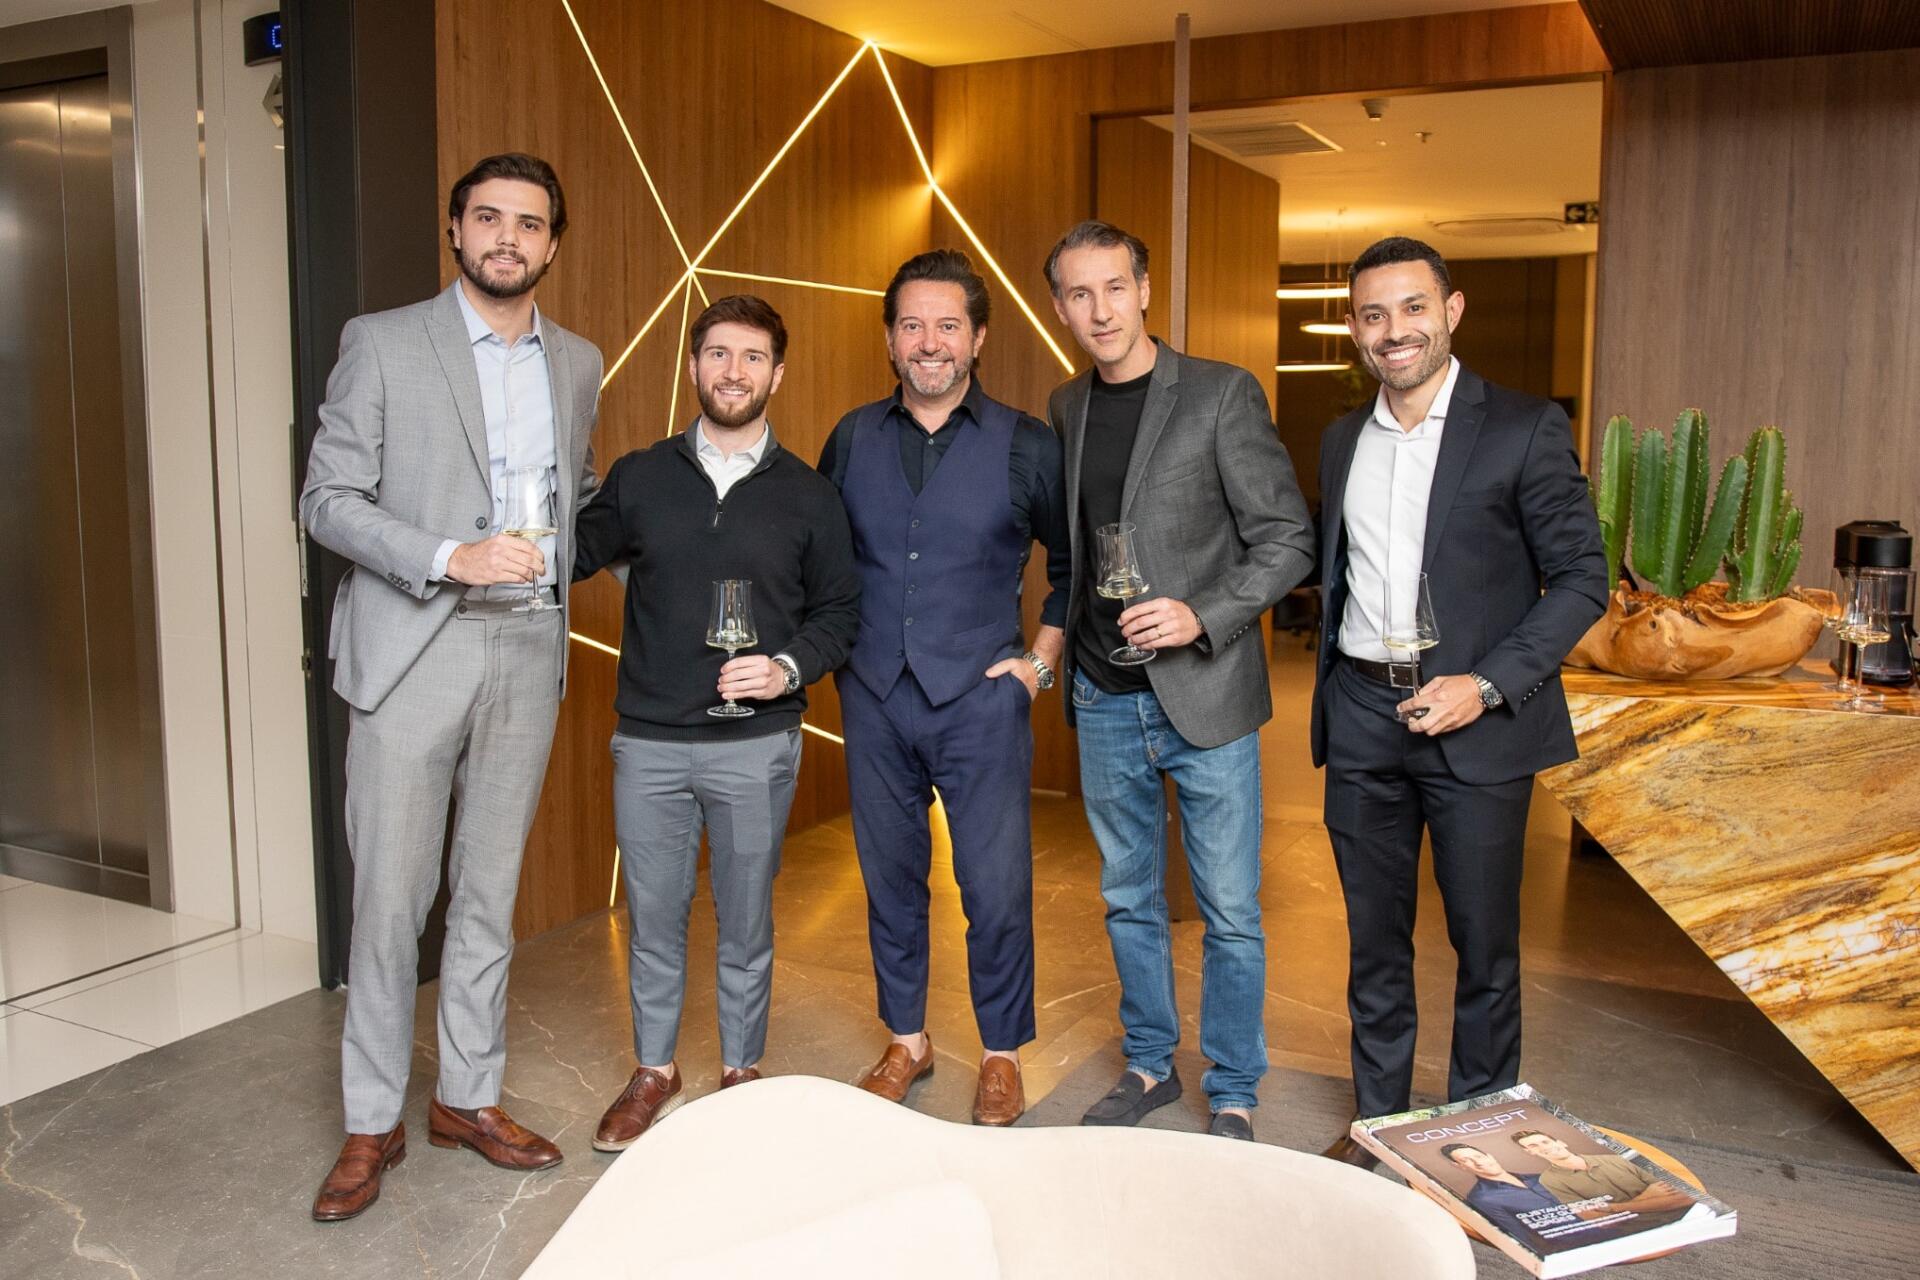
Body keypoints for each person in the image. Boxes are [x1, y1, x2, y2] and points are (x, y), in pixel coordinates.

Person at [301, 153, 603, 1221]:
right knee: (391, 900)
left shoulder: (578, 361)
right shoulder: (383, 342)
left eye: (529, 222)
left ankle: (466, 1098)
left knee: (487, 892)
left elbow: (580, 490)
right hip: (412, 649)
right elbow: (328, 499)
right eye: (488, 218)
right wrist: (446, 554)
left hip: (527, 648)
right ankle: (371, 1118)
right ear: (456, 229)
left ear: (552, 243)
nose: (507, 237)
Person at [1314, 237, 1608, 1167]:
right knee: (1374, 944)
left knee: (1484, 949)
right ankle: (1379, 1129)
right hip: (1363, 714)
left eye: (1412, 308)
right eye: (1373, 314)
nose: (1393, 330)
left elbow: (1582, 579)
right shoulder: (1341, 440)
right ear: (1354, 328)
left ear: (1451, 311)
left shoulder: (1521, 427)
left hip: (1475, 724)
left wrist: (1485, 685)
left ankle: (1480, 1143)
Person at [1042, 221, 1313, 1141]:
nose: (1100, 310)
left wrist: (1203, 613)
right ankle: (1151, 1063)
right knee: (1128, 900)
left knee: (1230, 910)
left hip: (1207, 692)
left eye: (1114, 287)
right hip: (1103, 695)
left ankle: (1233, 1088)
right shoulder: (1066, 406)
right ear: (1060, 307)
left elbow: (1288, 539)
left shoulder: (1219, 393)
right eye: (1080, 294)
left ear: (1145, 289)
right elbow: (1076, 553)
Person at [573, 295, 860, 1150]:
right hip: (650, 742)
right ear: (694, 365)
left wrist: (784, 669)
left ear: (778, 373)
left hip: (755, 744)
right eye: (718, 354)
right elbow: (571, 551)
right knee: (653, 920)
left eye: (752, 357)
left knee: (746, 922)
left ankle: (741, 1069)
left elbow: (841, 612)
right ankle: (654, 1070)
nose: (734, 372)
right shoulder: (639, 477)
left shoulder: (810, 494)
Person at [818, 249, 1070, 1126]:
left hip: (981, 698)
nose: (930, 342)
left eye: (948, 326)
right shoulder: (852, 437)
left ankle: (1001, 1052)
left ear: (978, 338)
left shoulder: (1027, 444)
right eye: (913, 325)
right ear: (890, 339)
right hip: (874, 696)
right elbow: (822, 560)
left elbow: (1073, 566)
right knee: (891, 879)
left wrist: (1038, 664)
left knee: (994, 887)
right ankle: (908, 1039)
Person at [1511, 1130, 1695, 1213]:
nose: (1544, 1147)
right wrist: (1647, 1196)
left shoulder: (1616, 1159)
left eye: (1545, 1142)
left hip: (1682, 1215)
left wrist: (1615, 1208)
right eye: (1534, 1146)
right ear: (1530, 1153)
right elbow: (1590, 1218)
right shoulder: (1549, 1180)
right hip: (1629, 1232)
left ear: (1561, 1142)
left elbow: (1685, 1196)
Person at [1443, 1143, 1565, 1246]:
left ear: (1490, 1156)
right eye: (1466, 1160)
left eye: (1478, 1156)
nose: (1478, 1162)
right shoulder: (1482, 1198)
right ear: (1460, 1166)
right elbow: (1521, 1240)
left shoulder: (1539, 1178)